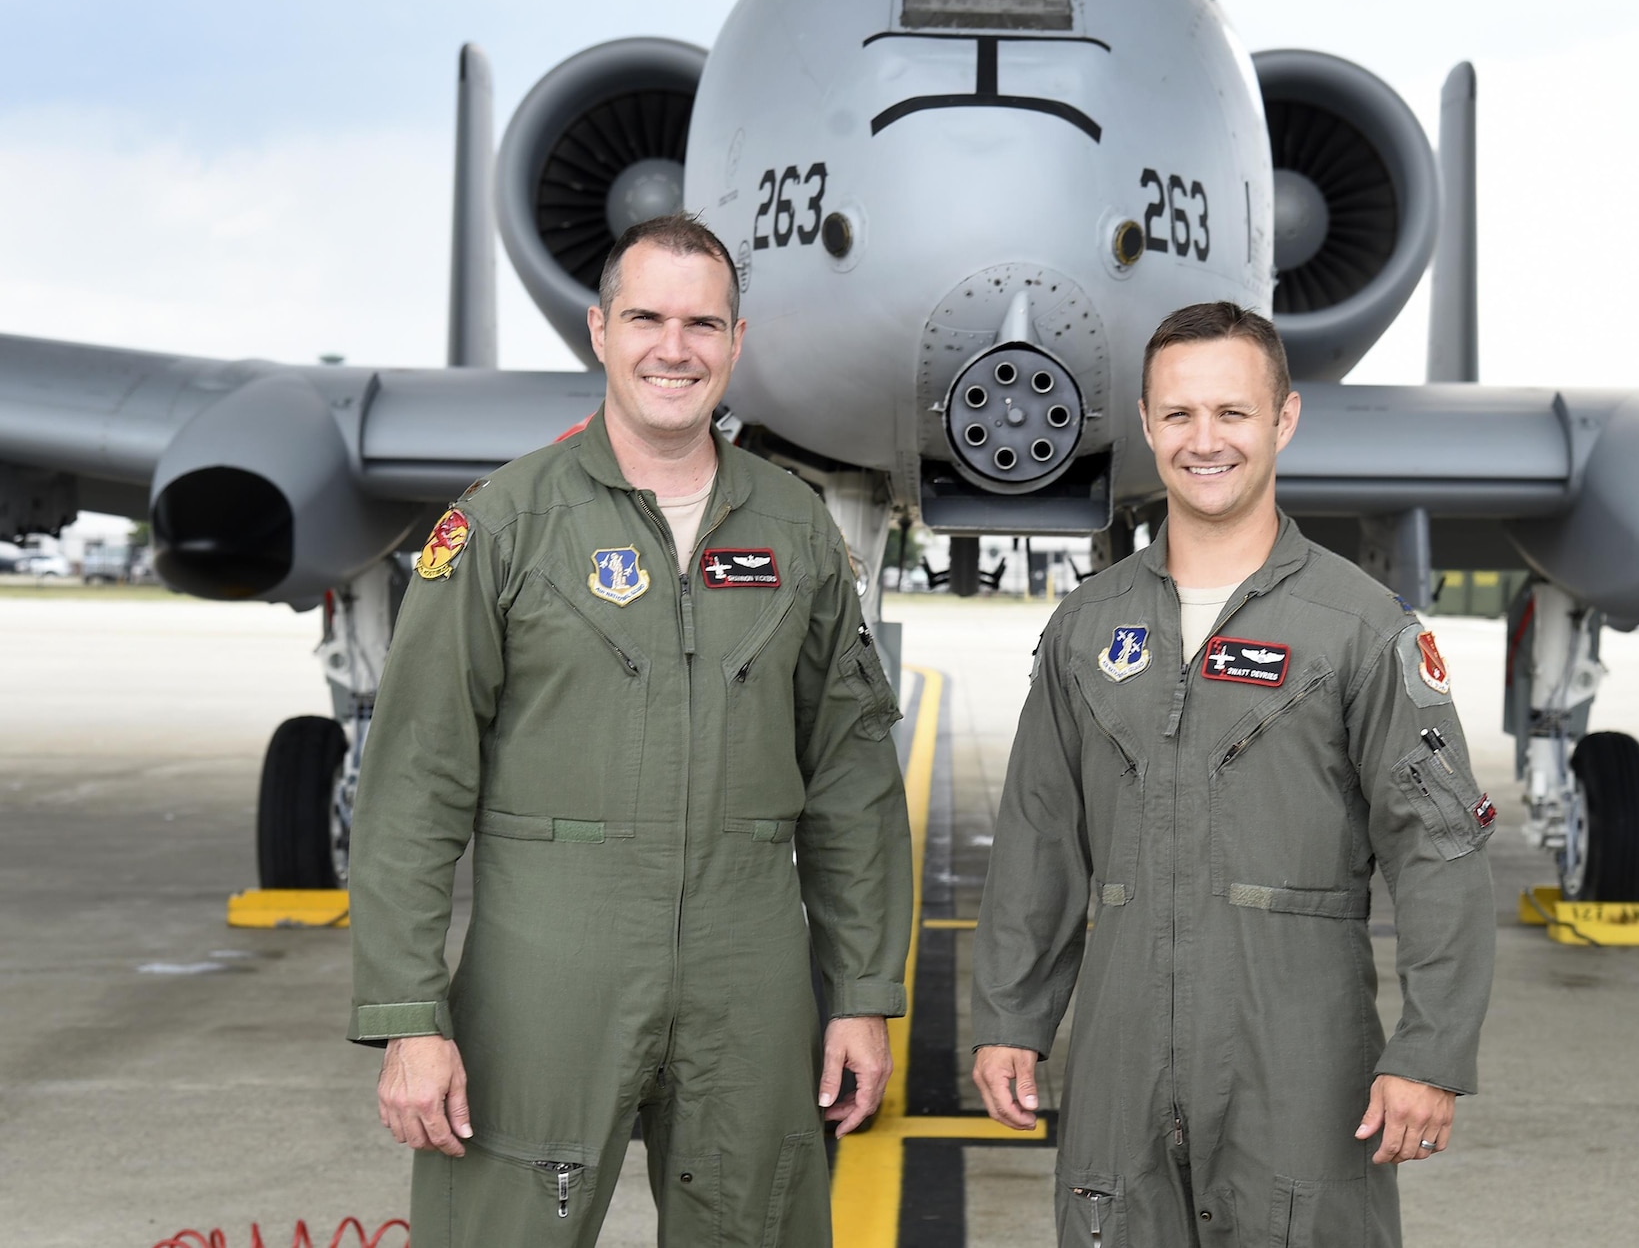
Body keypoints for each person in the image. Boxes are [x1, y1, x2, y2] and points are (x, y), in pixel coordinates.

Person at [347, 212, 912, 1245]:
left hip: (750, 974)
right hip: (545, 969)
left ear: (737, 343)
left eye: (703, 323)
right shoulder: (501, 529)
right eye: (647, 316)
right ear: (600, 332)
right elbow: (413, 785)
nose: (674, 347)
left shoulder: (799, 535)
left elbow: (852, 782)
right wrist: (407, 1016)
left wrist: (860, 990)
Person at [971, 302, 1495, 1246]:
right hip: (1121, 1065)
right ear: (1146, 422)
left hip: (1298, 1062)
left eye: (1232, 413)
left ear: (1284, 419)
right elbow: (1040, 831)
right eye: (1178, 415)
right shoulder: (1087, 628)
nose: (1204, 440)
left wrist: (1431, 1047)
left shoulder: (1362, 627)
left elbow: (1438, 848)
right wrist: (1011, 1014)